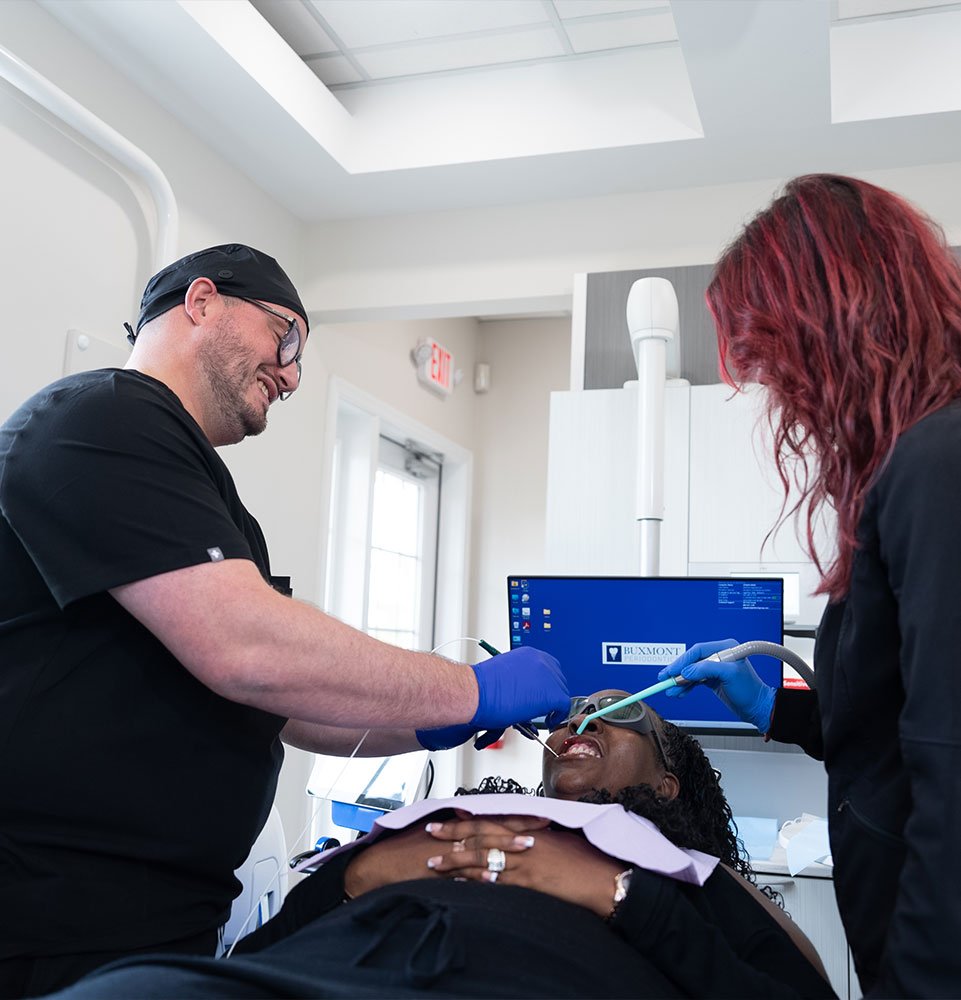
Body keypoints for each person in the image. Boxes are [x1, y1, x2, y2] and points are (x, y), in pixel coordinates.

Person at [0, 244, 568, 997]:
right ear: (200, 302)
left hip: (156, 913)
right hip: (53, 916)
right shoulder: (101, 417)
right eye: (286, 338)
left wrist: (441, 722)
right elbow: (247, 650)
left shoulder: (201, 493)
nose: (293, 375)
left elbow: (281, 706)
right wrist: (470, 688)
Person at [658, 174, 961, 998]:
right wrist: (779, 709)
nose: (767, 387)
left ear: (833, 324)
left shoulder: (937, 465)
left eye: (766, 354)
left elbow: (951, 767)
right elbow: (901, 718)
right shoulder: (914, 464)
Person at [47, 693, 835, 999]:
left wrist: (623, 897)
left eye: (618, 718)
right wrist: (353, 876)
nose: (578, 727)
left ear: (666, 786)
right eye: (568, 720)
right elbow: (265, 944)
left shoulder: (681, 870)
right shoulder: (445, 812)